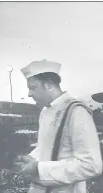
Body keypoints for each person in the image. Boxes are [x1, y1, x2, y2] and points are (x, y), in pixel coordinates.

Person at [14, 59, 102, 193]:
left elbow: (91, 166)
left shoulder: (77, 111)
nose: (29, 94)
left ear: (49, 85)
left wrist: (39, 169)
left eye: (33, 88)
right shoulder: (45, 111)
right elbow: (45, 147)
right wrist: (31, 158)